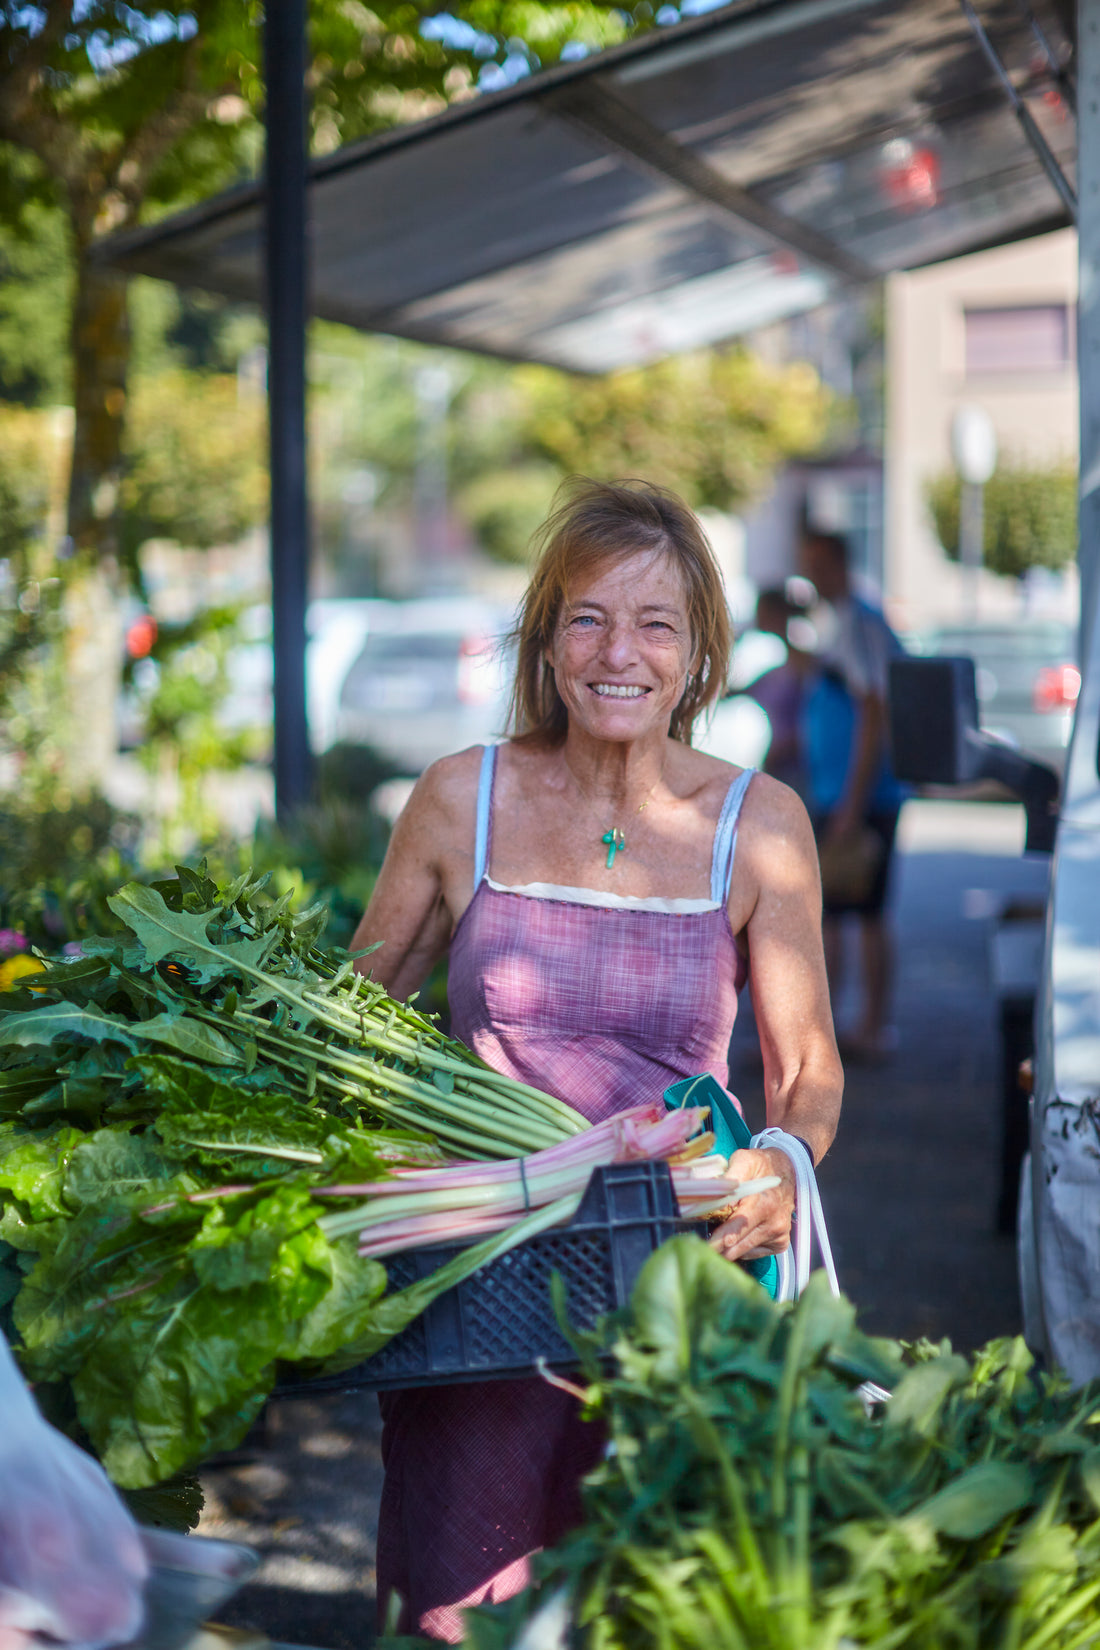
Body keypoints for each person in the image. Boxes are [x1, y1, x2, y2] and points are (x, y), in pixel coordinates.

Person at [352, 478, 843, 1641]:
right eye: (587, 617)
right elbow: (347, 1024)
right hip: (482, 1283)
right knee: (465, 1602)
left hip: (675, 1270)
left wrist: (782, 1160)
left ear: (697, 652)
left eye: (655, 623)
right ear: (546, 638)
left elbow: (807, 1065)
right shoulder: (459, 800)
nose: (619, 651)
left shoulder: (755, 823)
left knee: (654, 1596)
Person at [799, 529, 906, 1062]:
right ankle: (836, 1030)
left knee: (862, 912)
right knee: (838, 914)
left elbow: (873, 712)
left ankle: (870, 1027)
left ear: (838, 561)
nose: (810, 573)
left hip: (858, 799)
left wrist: (851, 803)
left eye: (816, 561)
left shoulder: (861, 622)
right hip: (842, 794)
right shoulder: (842, 618)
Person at [747, 586, 816, 798]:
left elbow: (814, 720)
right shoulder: (775, 665)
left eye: (763, 613)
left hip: (803, 769)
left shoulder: (804, 665)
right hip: (780, 765)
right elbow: (730, 692)